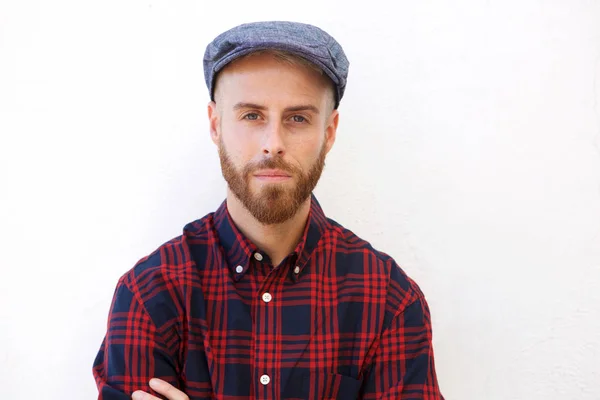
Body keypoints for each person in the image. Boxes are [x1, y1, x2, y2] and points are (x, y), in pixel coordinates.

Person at [93, 20, 444, 400]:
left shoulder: (388, 298)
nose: (273, 143)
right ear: (216, 125)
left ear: (328, 132)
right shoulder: (151, 293)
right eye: (251, 115)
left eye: (297, 118)